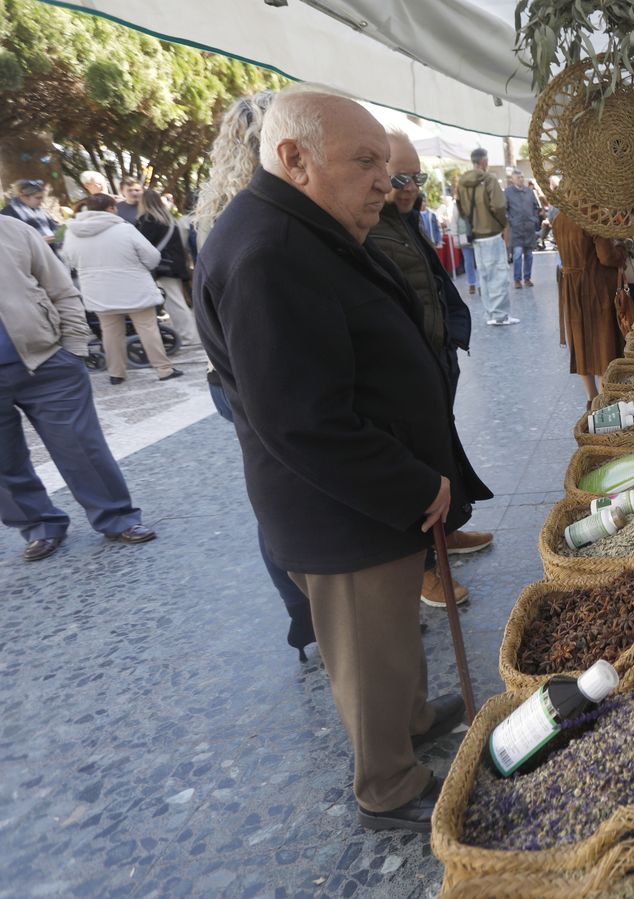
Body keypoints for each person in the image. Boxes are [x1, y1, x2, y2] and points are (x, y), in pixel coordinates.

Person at [195, 84, 489, 832]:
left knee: (392, 633)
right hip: (342, 510)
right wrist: (411, 483)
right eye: (365, 163)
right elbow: (302, 420)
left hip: (368, 496)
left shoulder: (302, 227)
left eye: (386, 166)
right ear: (293, 159)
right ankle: (387, 784)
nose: (385, 183)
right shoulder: (268, 251)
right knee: (368, 642)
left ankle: (414, 716)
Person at [193, 88, 318, 658]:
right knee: (289, 492)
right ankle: (315, 609)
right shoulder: (263, 223)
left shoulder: (221, 211)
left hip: (227, 379)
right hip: (252, 376)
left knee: (275, 492)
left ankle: (307, 613)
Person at [365, 128, 494, 607]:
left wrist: (451, 338)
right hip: (404, 372)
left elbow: (433, 283)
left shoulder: (405, 221)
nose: (408, 186)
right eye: (399, 176)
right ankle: (423, 566)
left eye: (415, 178)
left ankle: (447, 534)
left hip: (432, 359)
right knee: (418, 464)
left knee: (442, 452)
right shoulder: (368, 226)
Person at [0, 216, 157, 560]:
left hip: (46, 362)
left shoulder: (13, 230)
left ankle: (117, 517)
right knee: (4, 463)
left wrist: (72, 347)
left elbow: (60, 288)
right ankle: (39, 526)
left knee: (80, 447)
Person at [61, 194, 182, 385]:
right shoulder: (124, 229)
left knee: (109, 332)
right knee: (148, 328)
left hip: (97, 290)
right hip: (133, 287)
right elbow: (152, 257)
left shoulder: (72, 232)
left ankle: (116, 373)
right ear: (110, 209)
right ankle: (163, 369)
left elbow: (69, 261)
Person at [553, 211, 627, 400]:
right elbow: (607, 256)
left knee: (580, 342)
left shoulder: (559, 218)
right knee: (603, 343)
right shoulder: (593, 216)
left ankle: (591, 397)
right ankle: (604, 401)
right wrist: (622, 251)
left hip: (571, 287)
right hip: (596, 288)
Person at [133, 189, 200, 349]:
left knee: (174, 302)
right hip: (175, 265)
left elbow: (142, 245)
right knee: (178, 300)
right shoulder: (169, 220)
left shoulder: (147, 220)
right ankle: (191, 333)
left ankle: (189, 336)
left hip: (162, 266)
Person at [456, 149, 515, 325]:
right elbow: (498, 205)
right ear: (483, 161)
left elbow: (460, 207)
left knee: (485, 275)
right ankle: (499, 315)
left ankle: (491, 312)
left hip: (475, 234)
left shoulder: (462, 182)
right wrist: (501, 223)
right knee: (498, 274)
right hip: (491, 232)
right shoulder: (488, 179)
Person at [504, 170, 540, 289]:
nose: (521, 179)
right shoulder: (508, 192)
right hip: (516, 229)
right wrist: (511, 220)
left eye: (522, 177)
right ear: (513, 179)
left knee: (529, 255)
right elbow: (504, 209)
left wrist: (534, 219)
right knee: (517, 255)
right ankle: (517, 280)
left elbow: (536, 206)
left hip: (529, 228)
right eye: (518, 177)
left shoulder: (529, 191)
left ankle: (527, 278)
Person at [1, 179, 59, 249]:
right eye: (38, 198)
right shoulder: (7, 215)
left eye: (42, 198)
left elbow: (53, 226)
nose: (41, 201)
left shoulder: (38, 210)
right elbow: (10, 243)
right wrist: (38, 242)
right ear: (24, 196)